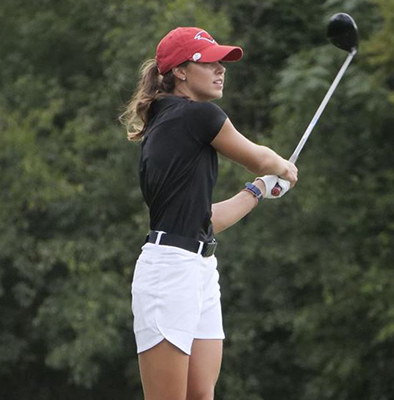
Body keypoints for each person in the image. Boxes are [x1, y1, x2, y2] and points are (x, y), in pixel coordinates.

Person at [119, 26, 298, 400]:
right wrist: (282, 167)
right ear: (180, 71)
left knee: (201, 395)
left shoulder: (175, 121)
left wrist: (260, 189)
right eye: (210, 62)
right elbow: (257, 157)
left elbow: (204, 220)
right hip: (169, 272)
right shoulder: (196, 115)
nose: (221, 70)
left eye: (223, 63)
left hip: (198, 267)